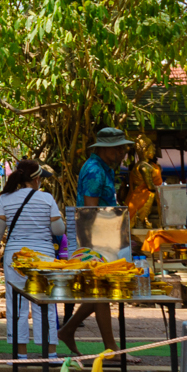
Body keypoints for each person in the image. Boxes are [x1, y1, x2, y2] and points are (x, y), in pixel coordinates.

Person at [56, 127, 131, 357]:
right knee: (102, 292)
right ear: (104, 148)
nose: (123, 152)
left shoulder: (105, 168)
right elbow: (91, 211)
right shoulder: (95, 171)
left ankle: (69, 331)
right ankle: (110, 347)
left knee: (101, 293)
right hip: (96, 240)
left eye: (123, 148)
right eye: (118, 148)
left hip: (104, 237)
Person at [0, 159, 66, 355]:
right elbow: (58, 230)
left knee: (16, 305)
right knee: (46, 303)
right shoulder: (47, 199)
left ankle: (20, 354)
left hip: (15, 258)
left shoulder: (5, 200)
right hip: (43, 258)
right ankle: (50, 354)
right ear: (37, 179)